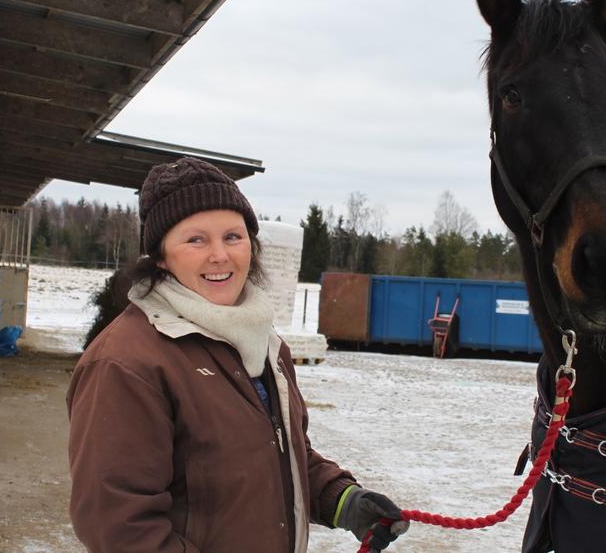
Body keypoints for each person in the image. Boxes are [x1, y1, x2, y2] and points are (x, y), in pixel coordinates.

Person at [67, 158, 409, 553]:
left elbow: (276, 451)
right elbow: (119, 527)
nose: (220, 255)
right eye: (196, 240)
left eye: (233, 236)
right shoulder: (127, 363)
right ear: (160, 257)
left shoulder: (263, 343)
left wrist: (340, 500)